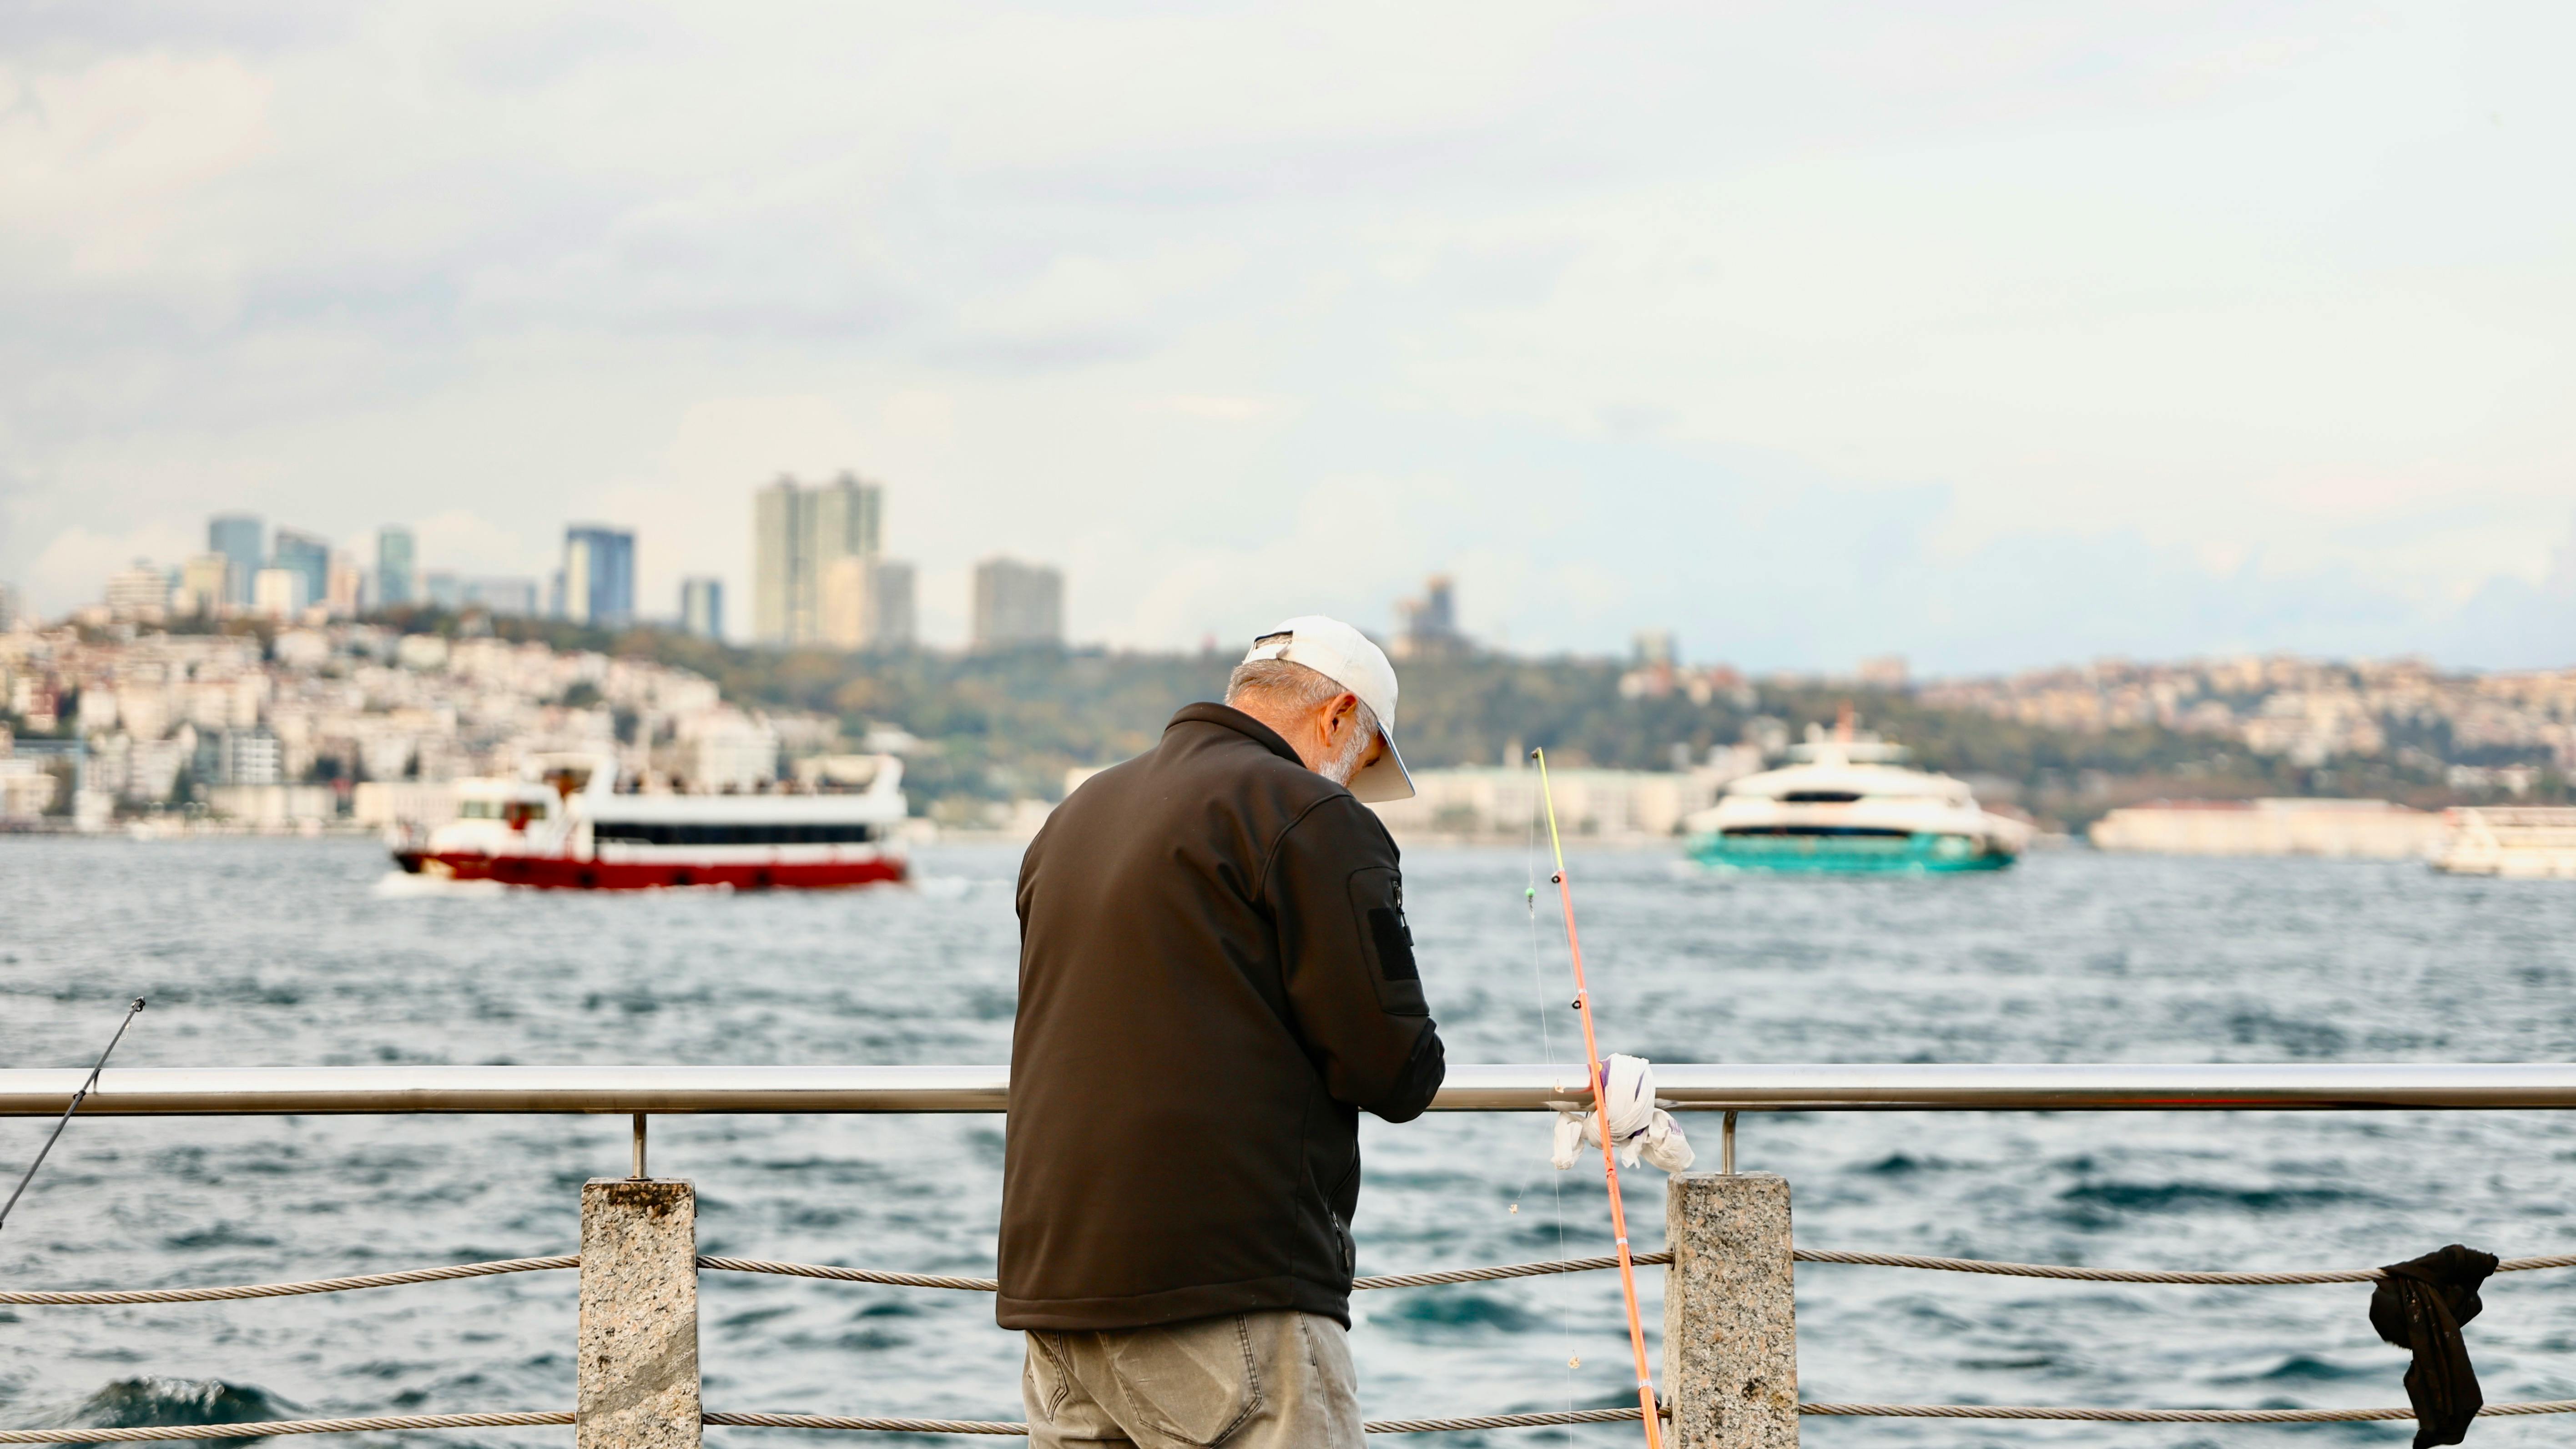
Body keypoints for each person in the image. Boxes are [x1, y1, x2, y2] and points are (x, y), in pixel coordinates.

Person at [999, 615, 1447, 1449]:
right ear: (1339, 716)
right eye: (1366, 761)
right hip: (1227, 1291)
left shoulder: (1078, 813)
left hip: (1057, 1294)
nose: (1355, 784)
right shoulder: (1313, 813)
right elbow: (1395, 1069)